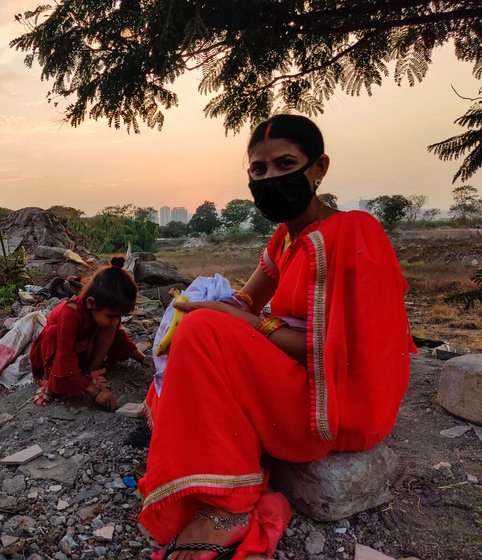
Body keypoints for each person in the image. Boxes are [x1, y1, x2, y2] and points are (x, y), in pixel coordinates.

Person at [139, 114, 415, 560]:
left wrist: (231, 321)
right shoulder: (284, 238)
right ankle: (194, 451)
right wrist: (214, 304)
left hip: (334, 399)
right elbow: (249, 298)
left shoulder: (348, 233)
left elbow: (322, 351)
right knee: (192, 319)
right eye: (259, 170)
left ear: (319, 168)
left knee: (205, 329)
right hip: (294, 370)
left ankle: (227, 504)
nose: (270, 179)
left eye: (286, 164)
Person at [30, 256, 153, 409]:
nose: (116, 320)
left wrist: (143, 359)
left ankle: (91, 370)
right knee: (53, 334)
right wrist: (95, 392)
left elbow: (119, 339)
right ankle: (49, 381)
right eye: (112, 316)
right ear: (91, 303)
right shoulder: (70, 313)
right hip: (56, 355)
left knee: (111, 328)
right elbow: (64, 356)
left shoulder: (104, 316)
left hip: (81, 351)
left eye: (119, 316)